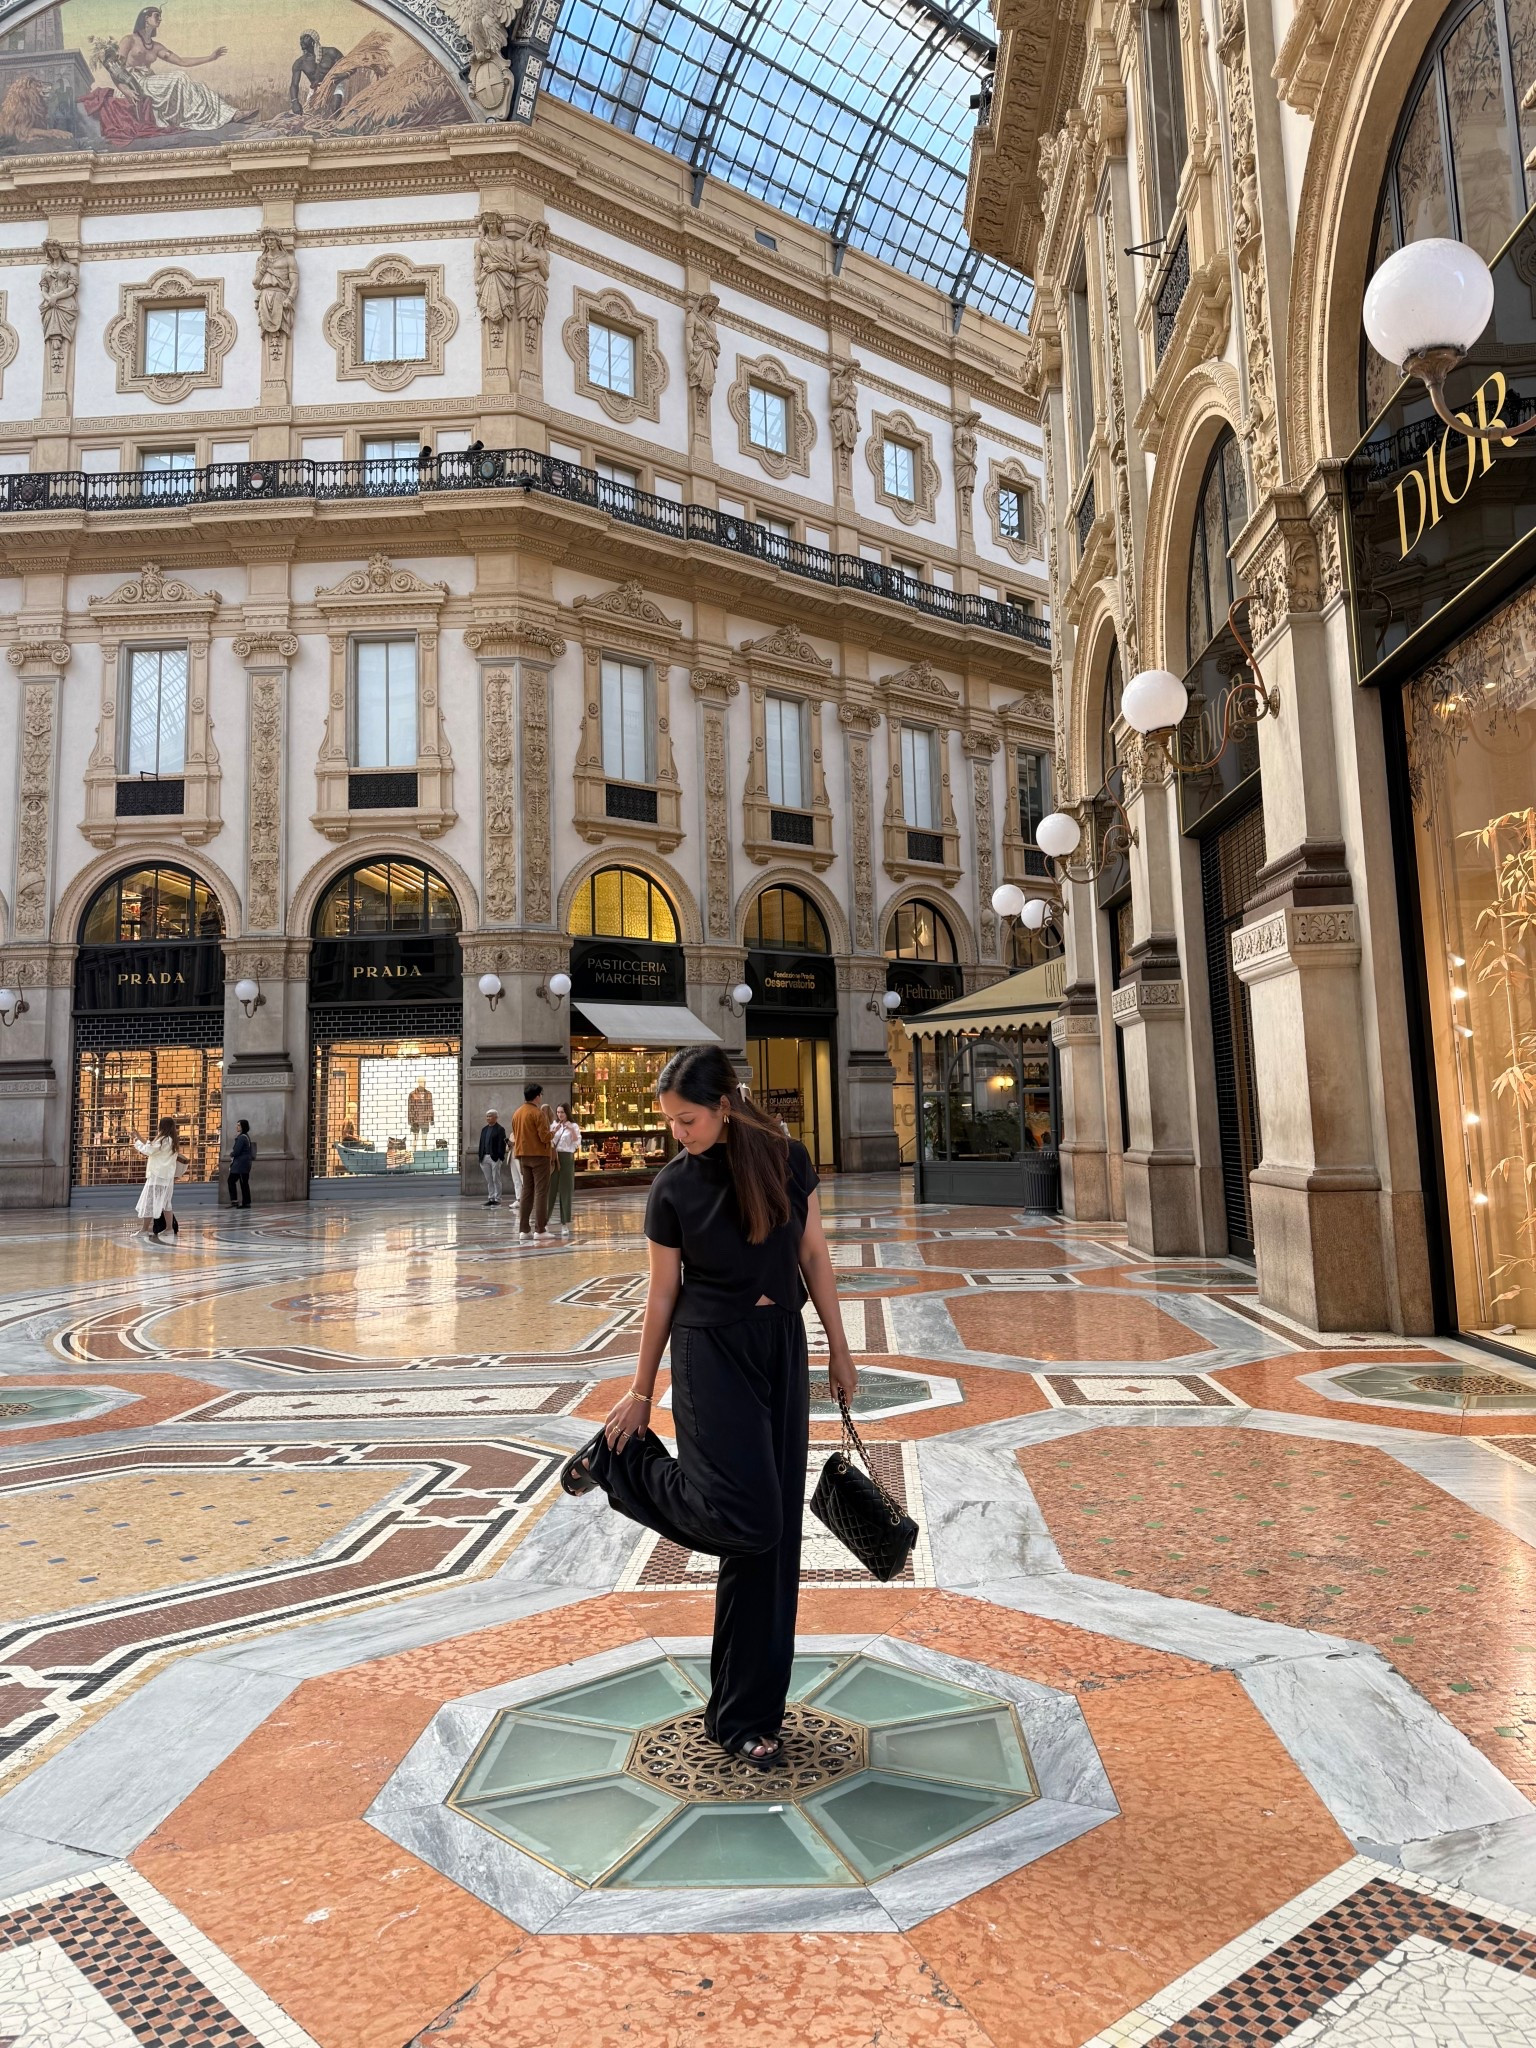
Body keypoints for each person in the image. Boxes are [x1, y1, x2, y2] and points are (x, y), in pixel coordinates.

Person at [561, 1046, 857, 1767]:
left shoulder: (787, 1159)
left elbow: (813, 1255)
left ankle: (746, 1716)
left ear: (724, 1106)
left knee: (771, 1538)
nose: (677, 1134)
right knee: (746, 1517)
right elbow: (662, 1293)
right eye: (670, 1123)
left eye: (686, 1120)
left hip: (779, 1347)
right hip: (709, 1354)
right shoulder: (671, 1187)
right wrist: (639, 1393)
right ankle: (618, 1463)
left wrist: (839, 1350)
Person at [132, 1115, 184, 1246]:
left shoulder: (163, 1140)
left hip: (157, 1177)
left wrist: (136, 1142)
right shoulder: (171, 1140)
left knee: (149, 1202)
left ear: (162, 1126)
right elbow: (151, 1146)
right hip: (167, 1178)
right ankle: (169, 1229)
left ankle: (144, 1229)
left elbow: (149, 1150)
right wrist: (139, 1137)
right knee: (166, 1203)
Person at [512, 1082, 555, 1242]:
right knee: (541, 1192)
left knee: (526, 1191)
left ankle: (524, 1230)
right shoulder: (538, 1114)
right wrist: (553, 1133)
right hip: (539, 1156)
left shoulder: (517, 1113)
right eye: (541, 1095)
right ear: (537, 1096)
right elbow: (544, 1137)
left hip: (523, 1156)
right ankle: (540, 1229)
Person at [550, 1102, 582, 1237]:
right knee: (550, 1190)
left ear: (567, 1113)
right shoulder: (553, 1125)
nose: (559, 1115)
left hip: (567, 1157)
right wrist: (554, 1131)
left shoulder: (573, 1126)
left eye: (562, 1112)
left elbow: (576, 1143)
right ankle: (544, 1221)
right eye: (558, 1112)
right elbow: (549, 1141)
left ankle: (564, 1223)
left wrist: (571, 1130)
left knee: (565, 1190)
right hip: (554, 1157)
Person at [478, 1108, 508, 1206]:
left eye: (490, 1116)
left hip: (495, 1158)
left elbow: (502, 1144)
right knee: (489, 1179)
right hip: (484, 1158)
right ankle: (491, 1198)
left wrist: (500, 1157)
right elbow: (481, 1143)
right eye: (487, 1116)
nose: (488, 1118)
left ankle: (497, 1199)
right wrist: (480, 1156)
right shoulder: (484, 1129)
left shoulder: (500, 1129)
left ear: (496, 1117)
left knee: (496, 1178)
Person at [227, 1119, 254, 1209]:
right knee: (242, 1183)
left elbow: (237, 1151)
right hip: (243, 1164)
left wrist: (232, 1154)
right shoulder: (244, 1136)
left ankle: (241, 1202)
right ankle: (244, 1202)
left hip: (240, 1165)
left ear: (243, 1127)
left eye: (238, 1125)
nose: (237, 1126)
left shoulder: (242, 1137)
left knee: (234, 1181)